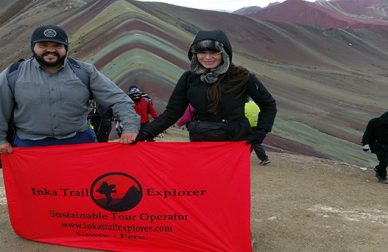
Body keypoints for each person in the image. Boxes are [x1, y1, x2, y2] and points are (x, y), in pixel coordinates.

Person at [0, 24, 139, 154]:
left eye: (57, 45)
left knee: (84, 180)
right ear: (33, 47)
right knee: (35, 181)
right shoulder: (13, 73)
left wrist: (130, 126)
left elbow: (119, 99)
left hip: (78, 141)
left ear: (65, 47)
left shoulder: (85, 71)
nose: (50, 49)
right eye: (43, 45)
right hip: (29, 145)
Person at [136, 30, 276, 147]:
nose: (208, 57)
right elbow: (172, 113)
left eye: (214, 52)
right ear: (195, 54)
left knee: (227, 180)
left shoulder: (242, 77)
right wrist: (144, 134)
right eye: (202, 52)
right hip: (200, 141)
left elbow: (268, 104)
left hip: (234, 144)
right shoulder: (189, 78)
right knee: (200, 180)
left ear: (224, 53)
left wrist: (259, 133)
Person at [362, 111, 388, 184]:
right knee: (384, 160)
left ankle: (378, 169)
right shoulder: (374, 122)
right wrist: (365, 145)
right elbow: (367, 134)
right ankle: (382, 177)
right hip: (377, 145)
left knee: (385, 161)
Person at [245, 99, 270, 165]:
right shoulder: (254, 104)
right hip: (258, 125)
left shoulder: (243, 106)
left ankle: (264, 158)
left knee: (254, 142)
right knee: (251, 141)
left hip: (250, 126)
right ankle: (245, 157)